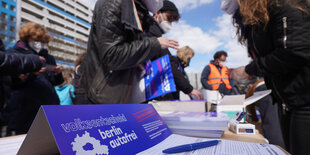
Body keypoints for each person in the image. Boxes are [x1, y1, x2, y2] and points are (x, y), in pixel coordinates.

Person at [228, 0, 310, 154]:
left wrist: (248, 70)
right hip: (287, 101)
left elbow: (294, 52)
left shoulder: (287, 6)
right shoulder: (263, 18)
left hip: (304, 100)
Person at [79, 0, 179, 104]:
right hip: (99, 96)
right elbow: (111, 55)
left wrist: (136, 61)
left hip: (118, 95)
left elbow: (126, 48)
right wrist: (154, 44)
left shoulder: (137, 11)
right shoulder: (112, 3)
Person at [6, 22, 63, 135]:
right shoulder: (13, 54)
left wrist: (58, 74)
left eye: (43, 41)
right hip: (24, 113)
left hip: (49, 110)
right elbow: (10, 82)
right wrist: (31, 73)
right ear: (27, 38)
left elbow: (56, 82)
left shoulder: (48, 57)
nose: (40, 44)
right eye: (37, 40)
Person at [147, 0, 203, 100]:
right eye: (168, 18)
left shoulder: (156, 34)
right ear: (157, 13)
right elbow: (167, 64)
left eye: (171, 21)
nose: (169, 23)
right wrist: (188, 89)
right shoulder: (151, 34)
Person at [0, 38, 44, 137]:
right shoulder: (14, 52)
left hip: (7, 111)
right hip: (20, 112)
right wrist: (32, 62)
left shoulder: (42, 55)